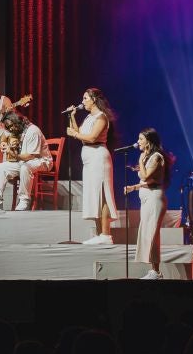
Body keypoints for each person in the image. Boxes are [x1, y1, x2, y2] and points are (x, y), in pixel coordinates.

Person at [66, 87, 118, 244]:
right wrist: (72, 116)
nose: (82, 102)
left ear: (94, 99)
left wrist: (75, 134)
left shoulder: (101, 117)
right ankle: (99, 233)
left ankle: (106, 235)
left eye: (85, 98)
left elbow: (92, 137)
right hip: (89, 160)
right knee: (94, 195)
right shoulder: (89, 117)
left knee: (102, 194)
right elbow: (80, 134)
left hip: (98, 158)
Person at [126, 128, 170, 278]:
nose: (138, 142)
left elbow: (145, 176)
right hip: (147, 199)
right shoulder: (149, 157)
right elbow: (151, 181)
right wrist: (134, 187)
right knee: (147, 233)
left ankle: (156, 271)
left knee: (152, 234)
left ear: (149, 142)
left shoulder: (156, 157)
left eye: (141, 139)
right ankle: (154, 270)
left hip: (154, 199)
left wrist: (140, 159)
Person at [0, 112, 48, 211]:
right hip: (24, 161)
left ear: (17, 121)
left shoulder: (33, 131)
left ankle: (24, 200)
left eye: (10, 126)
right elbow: (5, 136)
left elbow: (30, 156)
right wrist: (4, 144)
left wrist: (14, 154)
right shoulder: (18, 130)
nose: (10, 129)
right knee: (0, 168)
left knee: (25, 167)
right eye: (8, 127)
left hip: (41, 161)